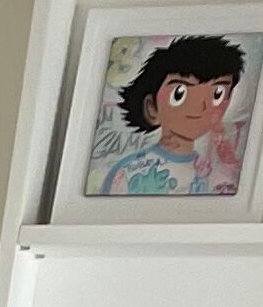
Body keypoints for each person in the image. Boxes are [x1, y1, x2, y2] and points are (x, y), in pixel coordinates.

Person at [92, 31, 249, 195]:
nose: (200, 107)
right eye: (179, 93)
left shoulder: (218, 178)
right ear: (151, 107)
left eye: (217, 94)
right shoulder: (127, 172)